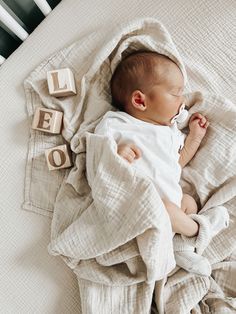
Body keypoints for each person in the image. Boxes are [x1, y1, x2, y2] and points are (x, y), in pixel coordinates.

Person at [95, 51, 211, 275]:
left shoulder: (168, 132)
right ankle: (199, 230)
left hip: (172, 205)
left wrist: (195, 137)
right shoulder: (116, 124)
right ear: (140, 100)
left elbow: (176, 163)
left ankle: (180, 248)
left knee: (187, 202)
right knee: (167, 208)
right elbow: (98, 157)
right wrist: (117, 155)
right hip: (143, 206)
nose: (183, 101)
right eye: (176, 94)